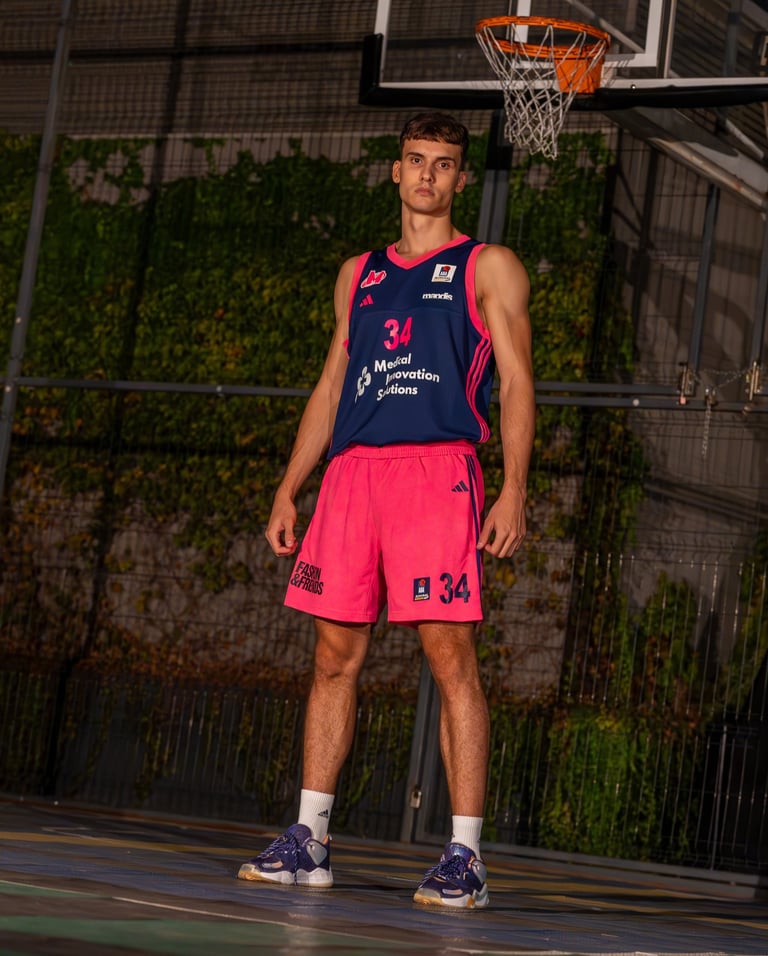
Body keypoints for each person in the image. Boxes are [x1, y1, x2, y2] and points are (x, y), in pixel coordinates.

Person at [237, 111, 535, 909]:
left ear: (460, 178)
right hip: (352, 477)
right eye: (416, 160)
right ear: (395, 171)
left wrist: (514, 486)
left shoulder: (488, 266)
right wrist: (290, 485)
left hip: (436, 473)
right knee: (332, 658)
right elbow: (333, 384)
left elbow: (517, 380)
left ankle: (466, 857)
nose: (428, 174)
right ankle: (309, 840)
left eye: (444, 163)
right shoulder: (357, 273)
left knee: (451, 659)